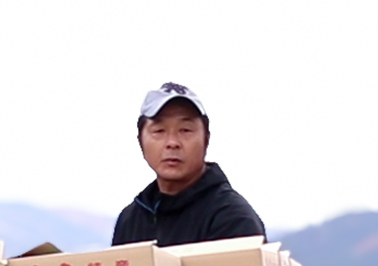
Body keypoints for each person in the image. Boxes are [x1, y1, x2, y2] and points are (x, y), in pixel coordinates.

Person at [112, 82, 265, 247]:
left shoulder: (233, 219)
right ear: (140, 140)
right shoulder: (130, 220)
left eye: (185, 130)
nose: (172, 143)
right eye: (159, 131)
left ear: (206, 139)